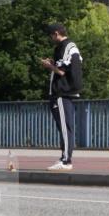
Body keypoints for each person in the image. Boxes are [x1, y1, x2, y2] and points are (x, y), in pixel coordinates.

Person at [39, 23, 83, 171]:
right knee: (66, 127)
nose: (51, 38)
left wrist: (48, 66)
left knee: (65, 128)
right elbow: (66, 66)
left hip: (62, 92)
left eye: (51, 35)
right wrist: (53, 64)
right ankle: (65, 158)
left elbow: (62, 72)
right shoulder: (72, 46)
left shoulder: (64, 46)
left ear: (56, 33)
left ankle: (66, 160)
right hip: (68, 91)